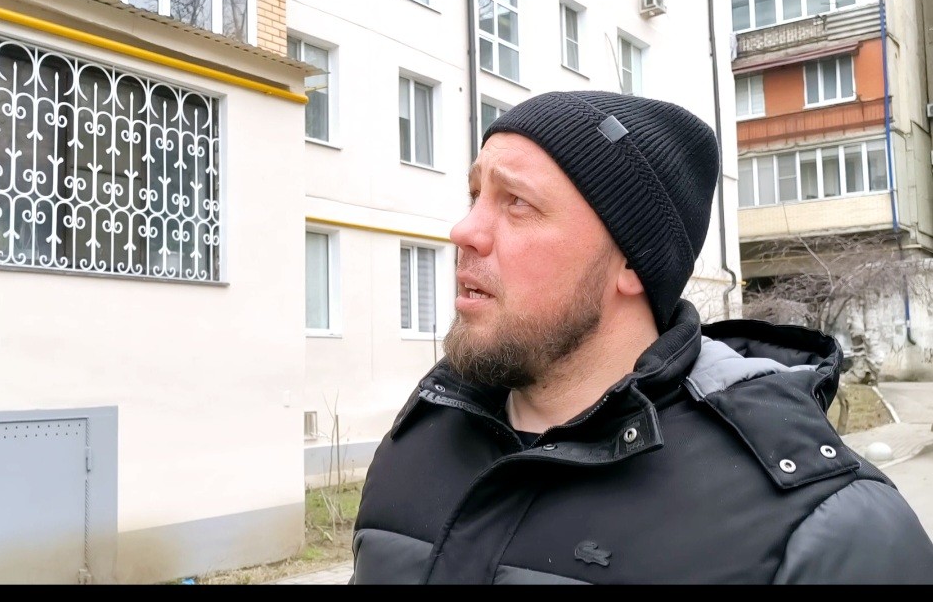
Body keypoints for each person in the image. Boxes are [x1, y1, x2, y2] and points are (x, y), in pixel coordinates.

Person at [348, 90, 933, 585]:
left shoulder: (821, 524)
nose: (464, 230)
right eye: (476, 196)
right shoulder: (420, 437)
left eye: (517, 202)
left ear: (630, 260)